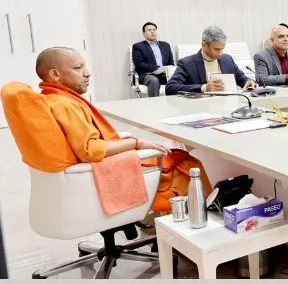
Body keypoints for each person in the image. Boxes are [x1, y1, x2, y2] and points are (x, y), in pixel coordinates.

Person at [4, 47, 212, 215]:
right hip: (90, 177)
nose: (87, 73)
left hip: (79, 176)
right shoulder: (65, 105)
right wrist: (136, 143)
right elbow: (91, 150)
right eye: (78, 68)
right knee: (184, 162)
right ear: (55, 74)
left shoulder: (52, 99)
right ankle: (196, 221)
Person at [166, 26, 257, 95]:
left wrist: (248, 82)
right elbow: (170, 87)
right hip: (201, 109)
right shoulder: (187, 63)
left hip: (229, 106)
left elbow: (242, 79)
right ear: (204, 45)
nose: (220, 53)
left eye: (222, 49)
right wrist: (204, 88)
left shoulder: (227, 59)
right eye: (217, 49)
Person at [131, 21, 174, 97]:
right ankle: (154, 103)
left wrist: (166, 70)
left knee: (179, 78)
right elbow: (139, 64)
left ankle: (174, 102)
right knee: (154, 80)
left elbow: (171, 62)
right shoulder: (138, 46)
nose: (152, 32)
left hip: (164, 74)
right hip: (146, 74)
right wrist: (157, 69)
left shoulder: (165, 45)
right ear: (144, 34)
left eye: (154, 30)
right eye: (149, 30)